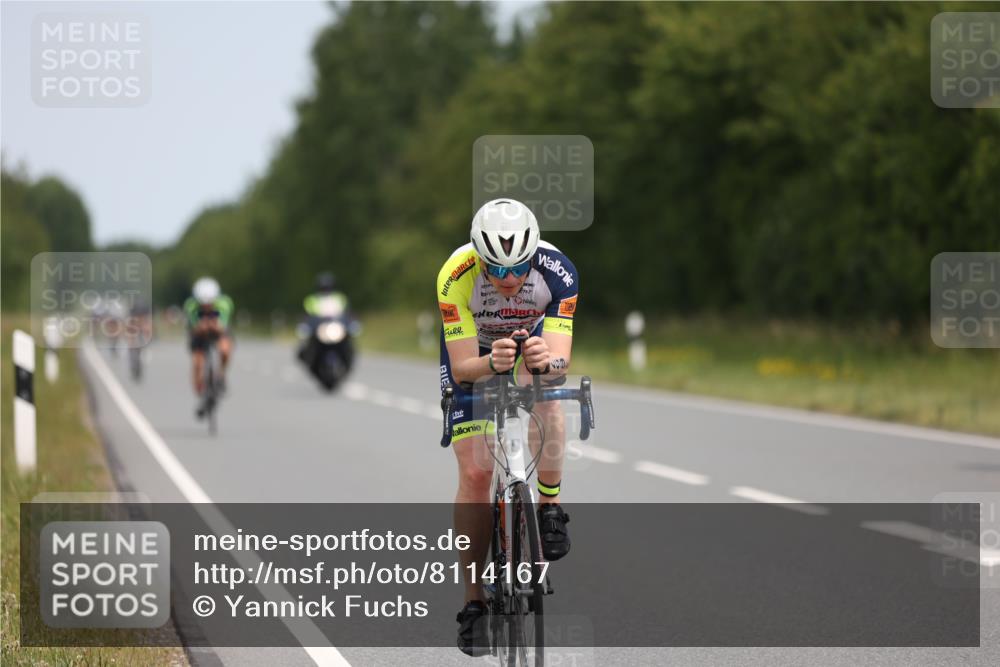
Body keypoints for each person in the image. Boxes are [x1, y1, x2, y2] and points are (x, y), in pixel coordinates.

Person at [437, 198, 578, 656]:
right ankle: (473, 602)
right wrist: (489, 364)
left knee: (549, 398)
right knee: (476, 472)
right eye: (497, 269)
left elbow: (559, 361)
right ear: (480, 259)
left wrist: (545, 362)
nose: (510, 279)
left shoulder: (558, 272)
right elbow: (463, 368)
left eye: (519, 267)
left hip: (530, 341)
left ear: (533, 255)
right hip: (474, 354)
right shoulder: (455, 276)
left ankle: (550, 508)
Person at [183, 277, 234, 415]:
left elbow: (222, 327)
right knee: (197, 362)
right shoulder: (191, 306)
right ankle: (201, 393)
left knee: (225, 350)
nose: (206, 307)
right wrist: (201, 327)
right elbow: (194, 328)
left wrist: (214, 326)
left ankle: (221, 375)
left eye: (209, 304)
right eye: (203, 304)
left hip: (218, 332)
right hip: (198, 334)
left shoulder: (224, 304)